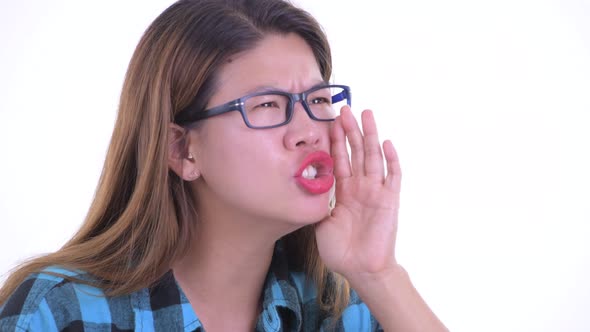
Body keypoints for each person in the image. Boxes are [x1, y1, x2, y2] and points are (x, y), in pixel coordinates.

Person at [0, 0, 448, 331]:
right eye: (268, 105)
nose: (310, 130)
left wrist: (380, 274)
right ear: (181, 151)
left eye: (316, 99)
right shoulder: (61, 311)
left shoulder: (340, 306)